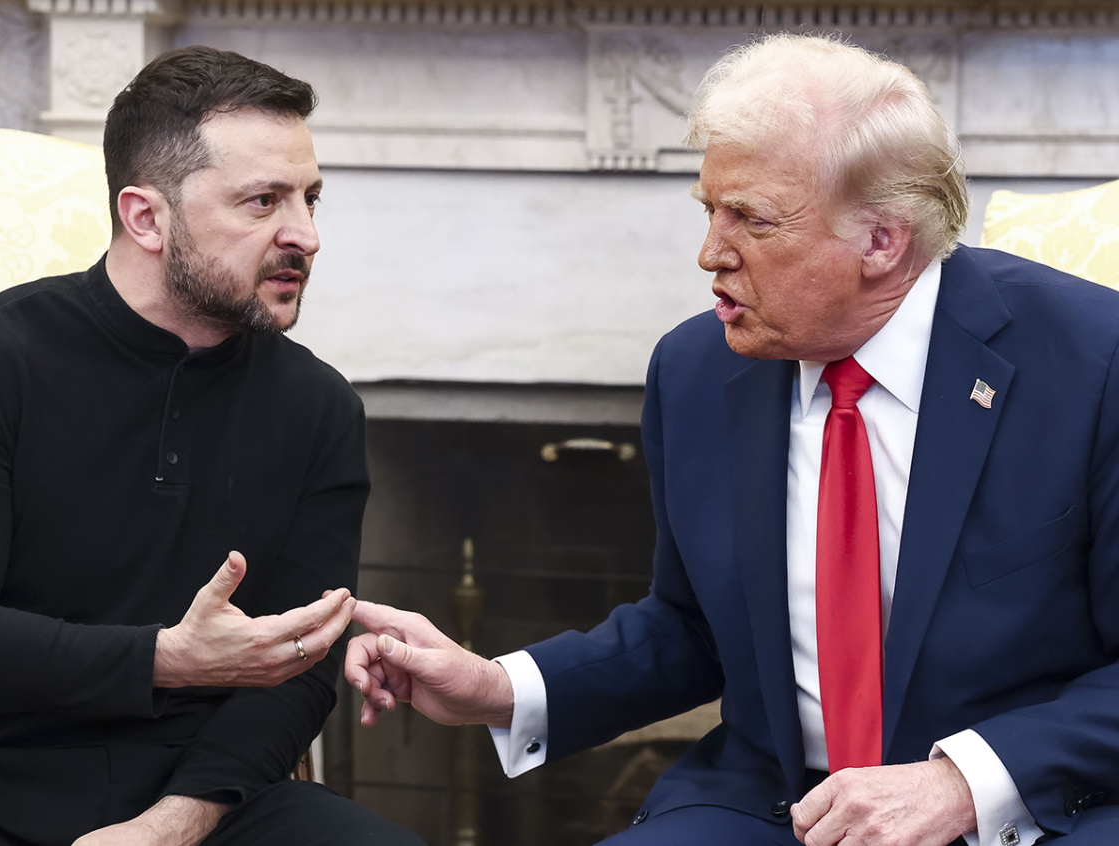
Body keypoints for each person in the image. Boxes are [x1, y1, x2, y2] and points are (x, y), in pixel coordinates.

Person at [345, 32, 1119, 846]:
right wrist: (498, 688)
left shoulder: (1089, 361)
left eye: (751, 219)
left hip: (1029, 807)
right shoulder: (696, 370)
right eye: (709, 211)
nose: (710, 253)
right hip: (778, 805)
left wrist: (962, 782)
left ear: (881, 241)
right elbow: (691, 628)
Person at [0, 46, 423, 846]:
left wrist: (172, 825)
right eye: (262, 201)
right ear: (145, 217)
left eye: (310, 198)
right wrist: (165, 658)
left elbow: (299, 668)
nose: (305, 235)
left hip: (203, 793)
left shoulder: (320, 407)